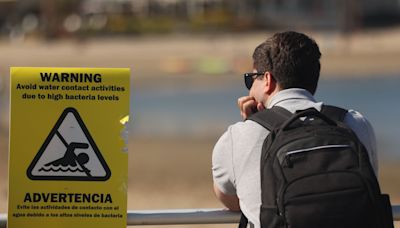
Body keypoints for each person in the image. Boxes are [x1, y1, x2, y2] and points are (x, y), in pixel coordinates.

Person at [211, 31, 377, 228]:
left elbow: (232, 200)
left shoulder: (236, 137)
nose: (249, 88)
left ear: (267, 80)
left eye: (250, 78)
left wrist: (253, 125)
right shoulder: (355, 123)